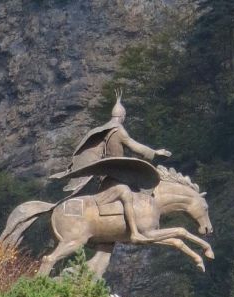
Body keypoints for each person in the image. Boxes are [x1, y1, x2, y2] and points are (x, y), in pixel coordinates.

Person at [50, 92, 171, 242]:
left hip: (107, 176)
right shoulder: (118, 130)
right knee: (125, 192)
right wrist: (155, 152)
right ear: (123, 116)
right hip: (114, 178)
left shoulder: (100, 130)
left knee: (137, 191)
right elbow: (136, 147)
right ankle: (134, 232)